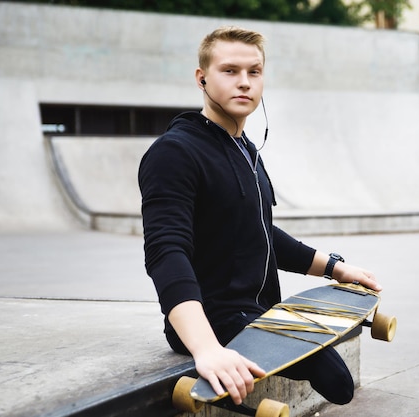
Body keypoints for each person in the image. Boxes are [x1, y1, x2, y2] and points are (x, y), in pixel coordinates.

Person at [138, 26, 382, 407]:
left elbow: (260, 231)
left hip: (257, 309)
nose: (244, 83)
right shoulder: (175, 152)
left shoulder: (245, 149)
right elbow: (166, 252)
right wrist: (206, 348)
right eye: (230, 71)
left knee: (338, 382)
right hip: (214, 319)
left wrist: (335, 268)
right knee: (336, 380)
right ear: (202, 78)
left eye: (254, 72)